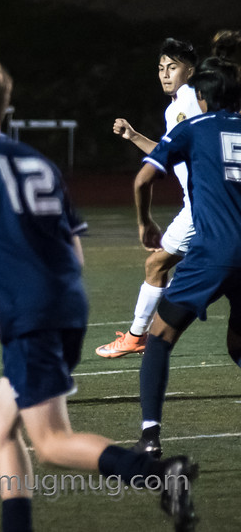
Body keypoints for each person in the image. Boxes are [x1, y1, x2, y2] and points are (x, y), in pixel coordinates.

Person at [0, 52, 197, 532]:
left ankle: (157, 475)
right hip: (66, 304)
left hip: (35, 315)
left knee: (50, 442)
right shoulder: (38, 160)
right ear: (6, 102)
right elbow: (73, 251)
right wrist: (14, 312)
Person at [132, 56, 241, 458]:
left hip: (213, 253)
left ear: (202, 97)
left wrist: (145, 222)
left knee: (158, 339)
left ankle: (149, 438)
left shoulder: (192, 127)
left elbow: (145, 177)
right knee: (237, 347)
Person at [96, 38, 202, 358]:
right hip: (211, 204)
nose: (165, 74)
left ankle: (138, 335)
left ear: (191, 71)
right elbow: (168, 154)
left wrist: (145, 221)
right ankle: (141, 335)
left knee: (157, 264)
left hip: (203, 206)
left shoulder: (184, 104)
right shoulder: (190, 103)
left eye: (173, 67)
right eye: (161, 68)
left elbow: (150, 174)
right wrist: (134, 136)